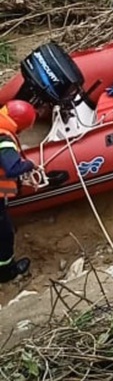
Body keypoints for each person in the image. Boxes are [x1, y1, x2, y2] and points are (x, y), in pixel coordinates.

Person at [0, 99, 38, 284]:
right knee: (5, 234)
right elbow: (12, 169)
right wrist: (29, 164)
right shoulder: (4, 139)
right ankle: (6, 272)